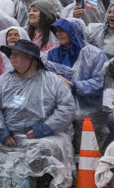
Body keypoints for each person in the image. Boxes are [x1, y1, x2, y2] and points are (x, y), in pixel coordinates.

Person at [0, 39, 77, 188]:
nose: (12, 59)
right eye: (11, 56)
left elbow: (67, 108)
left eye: (17, 55)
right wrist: (1, 130)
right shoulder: (4, 80)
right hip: (10, 133)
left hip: (42, 134)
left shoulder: (52, 81)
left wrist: (45, 128)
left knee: (44, 148)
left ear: (32, 58)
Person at [43, 17, 109, 153]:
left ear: (74, 31)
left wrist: (73, 86)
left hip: (88, 110)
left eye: (63, 30)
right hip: (59, 108)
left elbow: (100, 82)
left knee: (87, 152)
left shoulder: (95, 54)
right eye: (57, 31)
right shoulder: (51, 55)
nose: (59, 34)